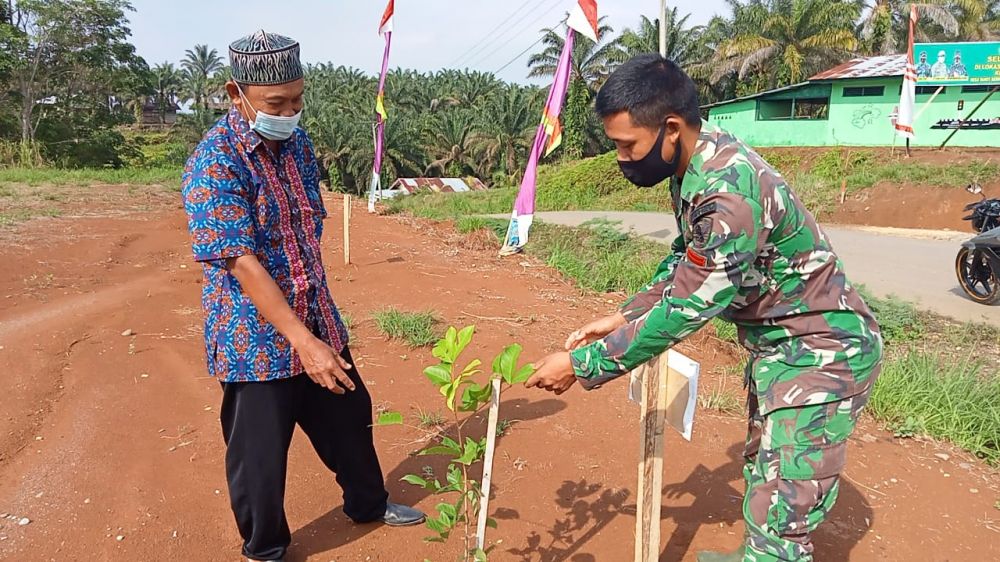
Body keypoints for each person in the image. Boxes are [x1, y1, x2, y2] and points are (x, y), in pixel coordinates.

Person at [525, 54, 883, 562]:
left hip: (822, 352)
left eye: (627, 145)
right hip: (784, 348)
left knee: (783, 514)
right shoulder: (694, 167)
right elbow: (687, 259)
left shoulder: (729, 192)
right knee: (765, 470)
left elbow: (688, 309)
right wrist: (628, 313)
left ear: (670, 128)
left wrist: (583, 365)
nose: (622, 159)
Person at [180, 30, 424, 562]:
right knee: (259, 459)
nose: (289, 112)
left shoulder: (299, 146)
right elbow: (240, 260)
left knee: (351, 418)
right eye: (276, 103)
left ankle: (369, 503)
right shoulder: (214, 162)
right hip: (255, 338)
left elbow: (303, 230)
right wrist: (302, 343)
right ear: (234, 93)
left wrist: (316, 335)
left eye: (297, 100)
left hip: (317, 318)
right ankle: (265, 549)